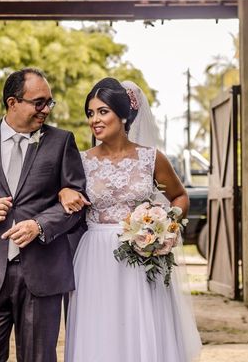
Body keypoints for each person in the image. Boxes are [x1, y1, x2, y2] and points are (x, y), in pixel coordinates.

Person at [0, 68, 87, 362]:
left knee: (38, 358)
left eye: (49, 102)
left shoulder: (62, 142)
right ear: (12, 103)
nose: (46, 109)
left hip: (43, 271)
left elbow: (76, 205)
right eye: (39, 102)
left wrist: (40, 225)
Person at [63, 77, 202, 362]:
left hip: (141, 256)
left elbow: (179, 197)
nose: (95, 120)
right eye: (90, 113)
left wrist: (164, 227)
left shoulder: (152, 158)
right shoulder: (81, 160)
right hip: (96, 257)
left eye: (103, 111)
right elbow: (64, 192)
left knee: (140, 325)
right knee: (100, 327)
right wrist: (64, 191)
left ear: (124, 115)